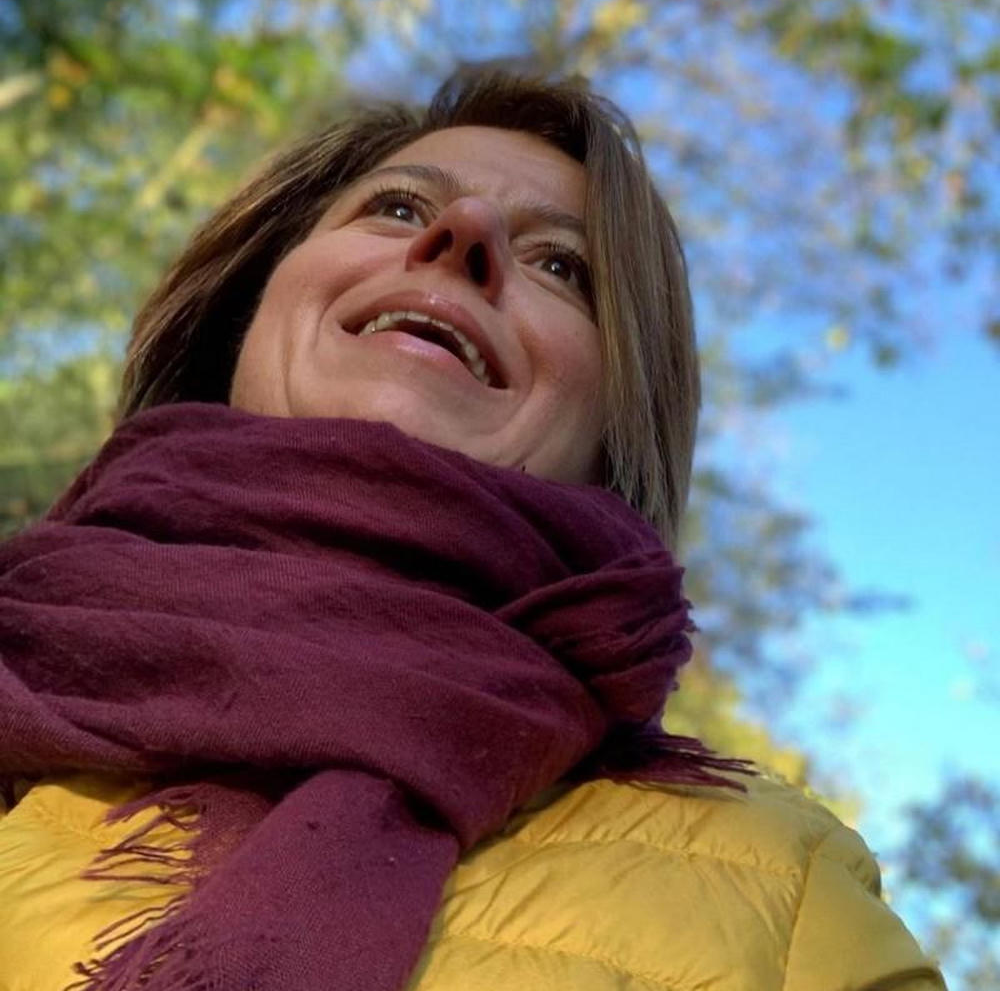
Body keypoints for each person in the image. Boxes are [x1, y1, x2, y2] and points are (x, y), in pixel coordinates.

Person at [0, 65, 945, 991]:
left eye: (561, 266)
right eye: (398, 207)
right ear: (250, 309)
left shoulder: (782, 897)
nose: (467, 231)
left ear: (617, 440)